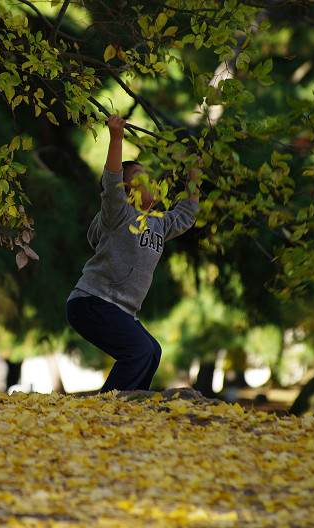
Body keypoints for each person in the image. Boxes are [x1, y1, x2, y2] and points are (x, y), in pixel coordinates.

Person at [66, 114, 201, 393]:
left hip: (121, 310)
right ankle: (105, 409)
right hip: (92, 302)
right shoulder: (118, 214)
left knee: (152, 351)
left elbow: (187, 214)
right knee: (138, 350)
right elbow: (111, 180)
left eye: (149, 179)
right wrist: (116, 138)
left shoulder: (160, 224)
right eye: (139, 179)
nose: (148, 183)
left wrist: (193, 173)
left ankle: (131, 407)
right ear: (125, 191)